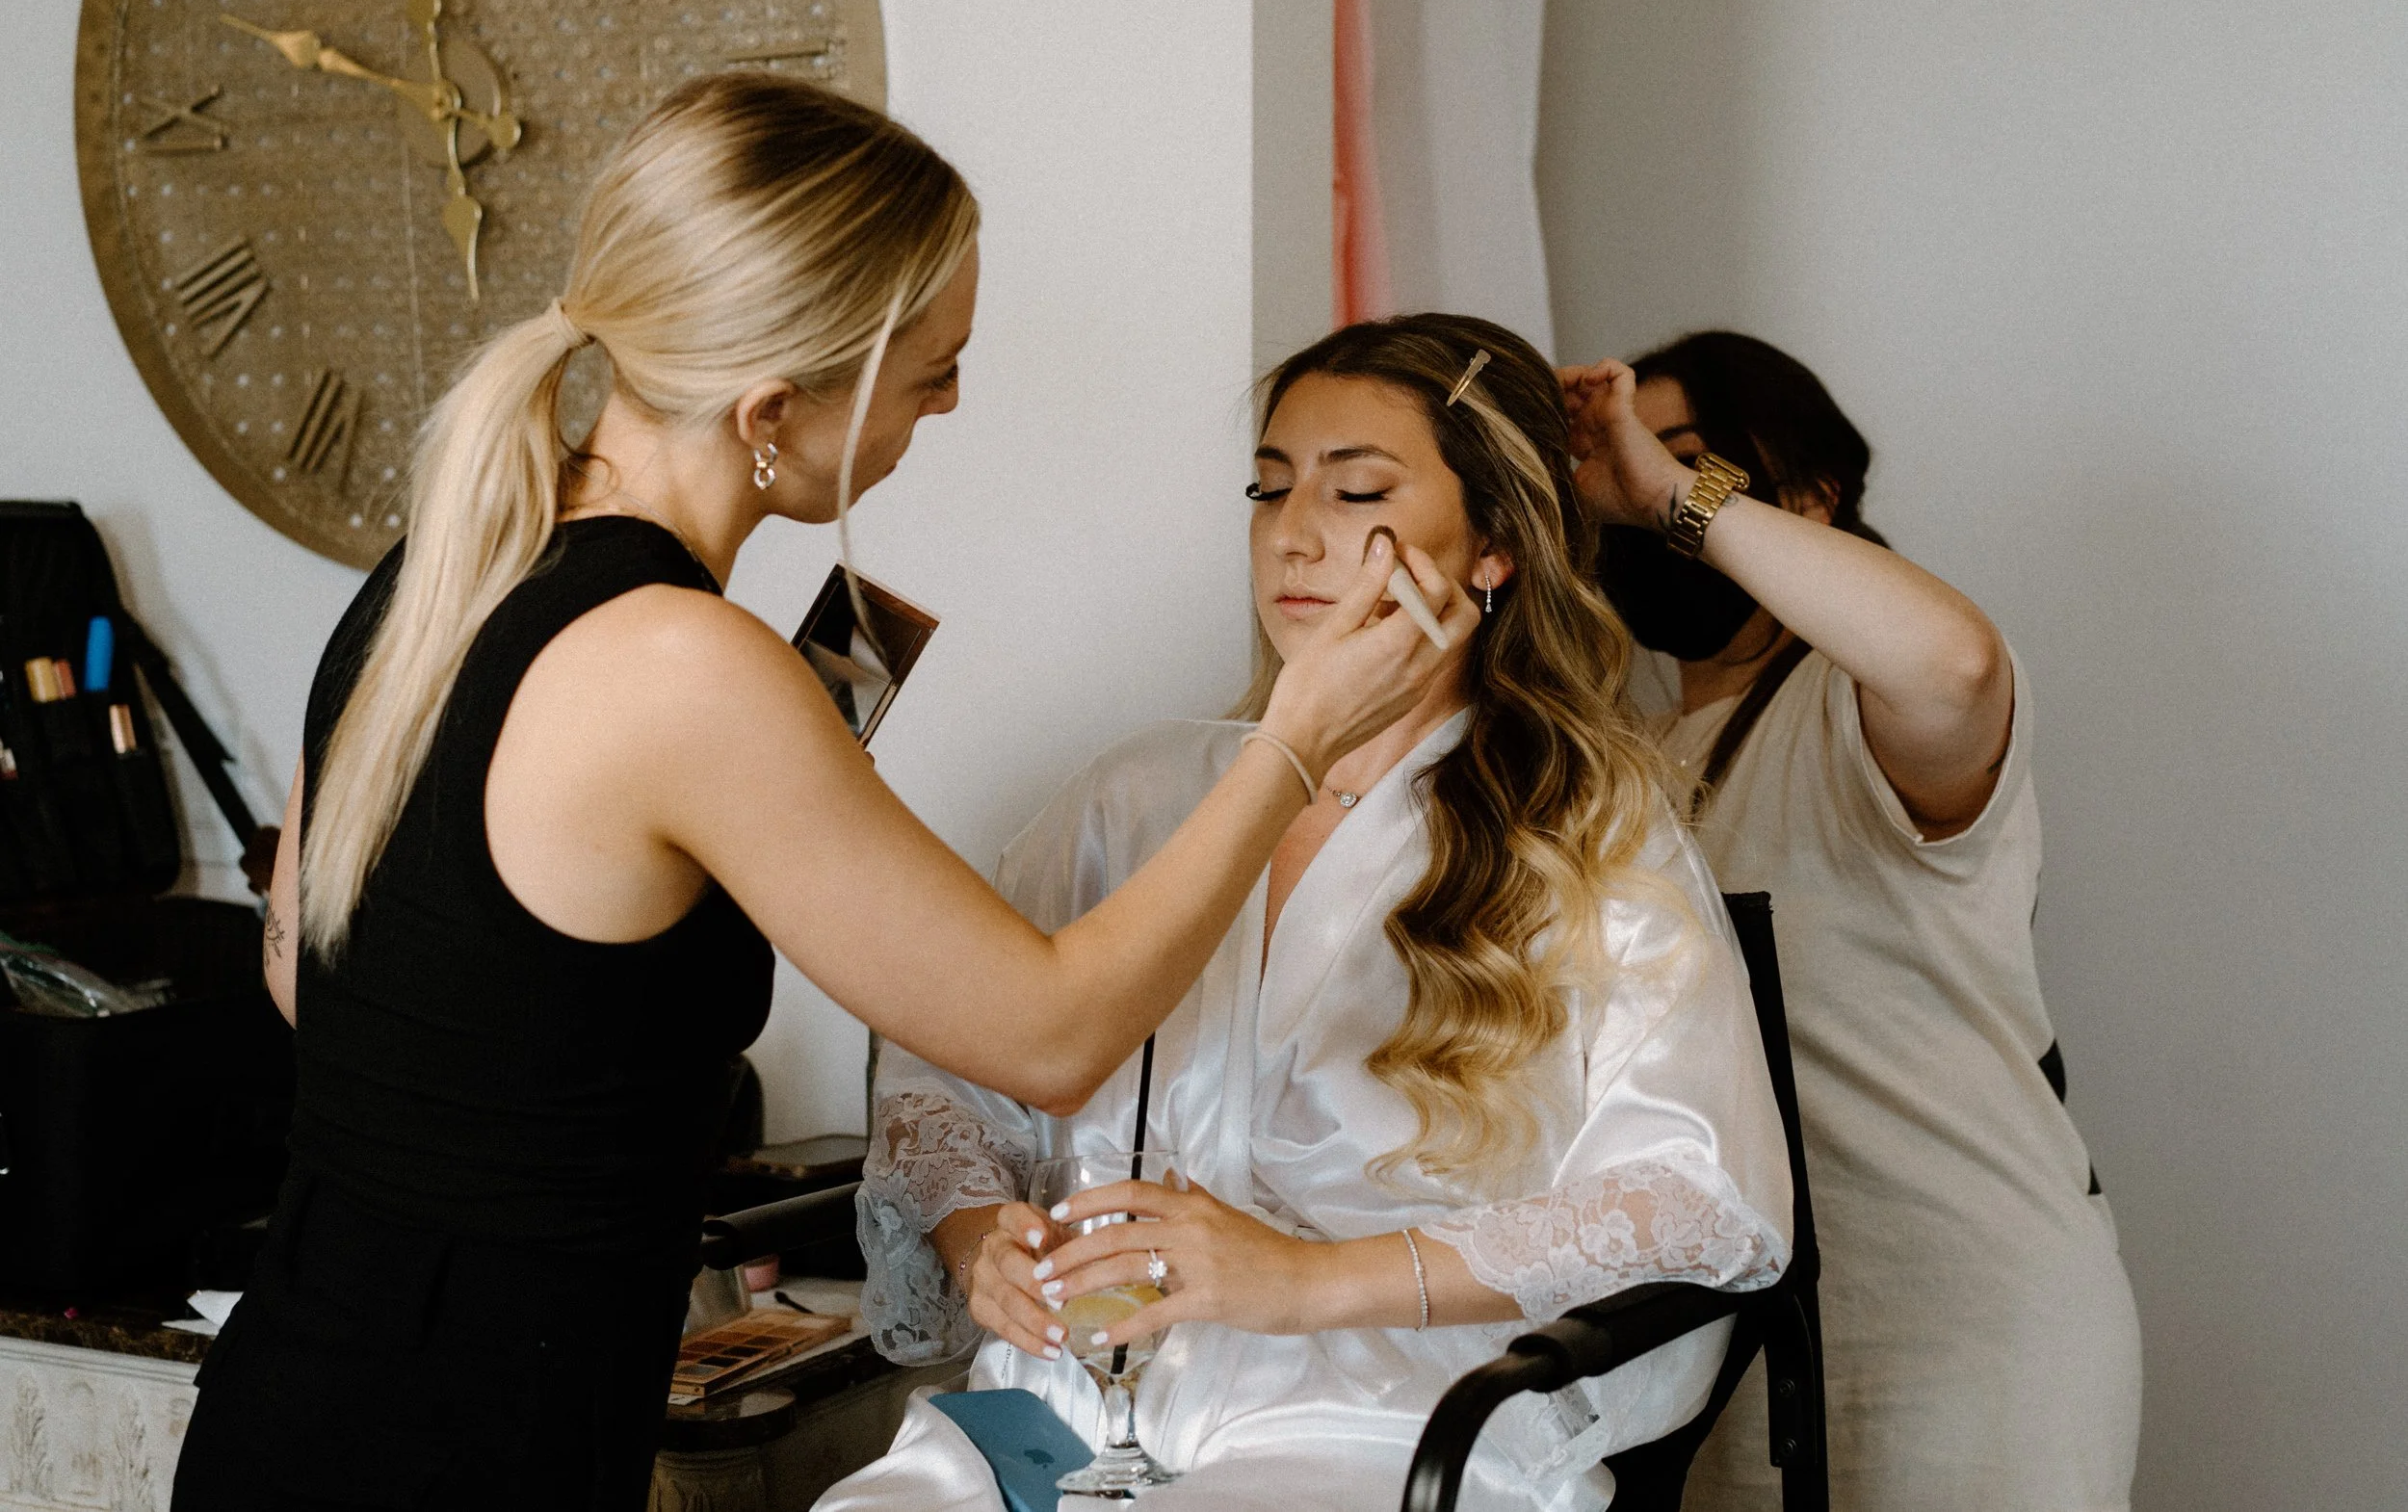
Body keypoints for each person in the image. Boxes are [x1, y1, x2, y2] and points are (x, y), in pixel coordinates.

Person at [170, 76, 1474, 1512]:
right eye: (929, 368)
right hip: (463, 1438)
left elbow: (309, 967)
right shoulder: (690, 667)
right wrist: (1291, 744)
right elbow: (1050, 1032)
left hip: (301, 1380)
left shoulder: (454, 556)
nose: (953, 398)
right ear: (778, 408)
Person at [818, 315, 1793, 1512]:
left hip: (1381, 1418)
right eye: (1268, 487)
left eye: (1358, 488)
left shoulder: (1590, 831)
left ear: (1491, 543)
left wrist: (1309, 1279)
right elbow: (948, 1063)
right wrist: (981, 1241)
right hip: (1065, 1404)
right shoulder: (1135, 797)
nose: (1293, 531)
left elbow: (1697, 1199)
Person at [1559, 331, 2141, 1510]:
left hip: (1952, 1324)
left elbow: (1959, 665)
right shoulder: (1634, 758)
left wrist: (1669, 490)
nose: (1639, 500)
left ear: (1811, 496)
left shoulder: (1852, 706)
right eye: (1620, 475)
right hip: (1730, 1342)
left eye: (1684, 461)